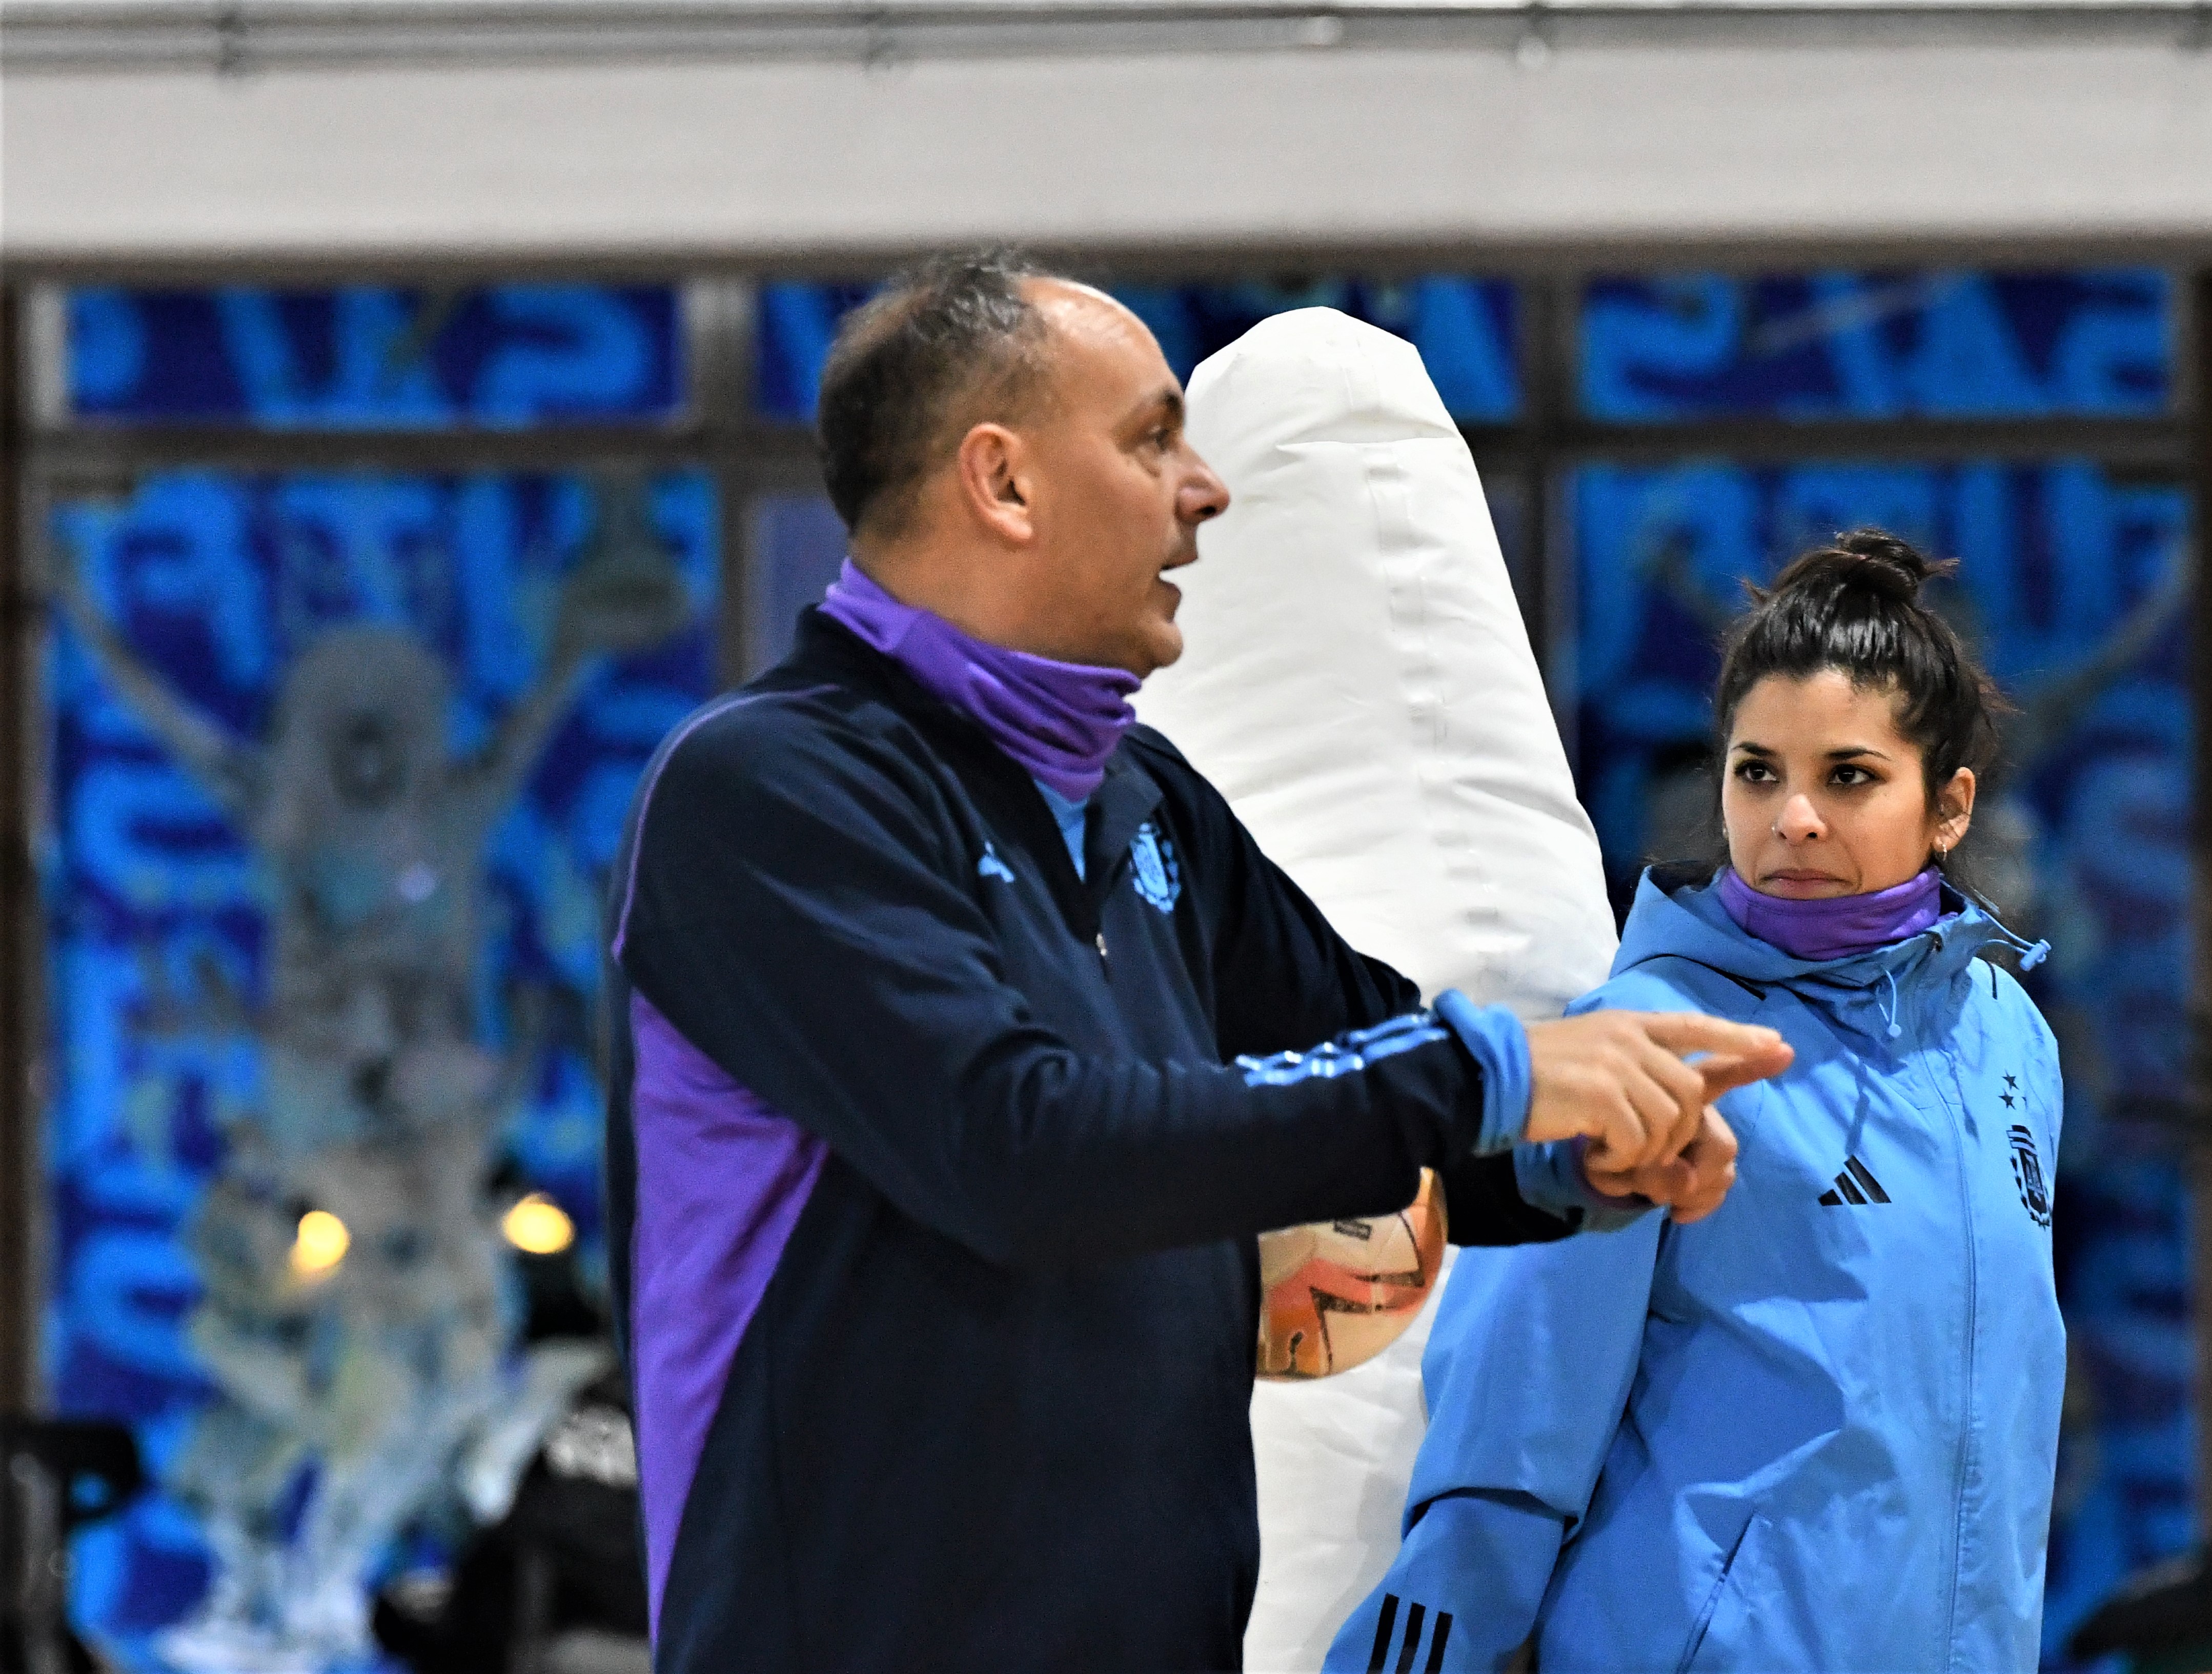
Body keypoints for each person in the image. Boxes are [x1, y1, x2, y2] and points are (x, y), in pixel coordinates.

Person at [600, 249, 1793, 1674]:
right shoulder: (771, 791)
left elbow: (1373, 1072)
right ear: (1005, 482)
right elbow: (1016, 1144)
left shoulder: (1143, 802)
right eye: (1151, 440)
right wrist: (1497, 1076)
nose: (1206, 488)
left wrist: (1570, 1161)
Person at [1329, 530, 2065, 1674]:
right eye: (1758, 769)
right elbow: (1507, 1438)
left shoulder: (2009, 1037)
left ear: (1951, 805)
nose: (1795, 818)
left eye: (1849, 776)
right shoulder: (1643, 1037)